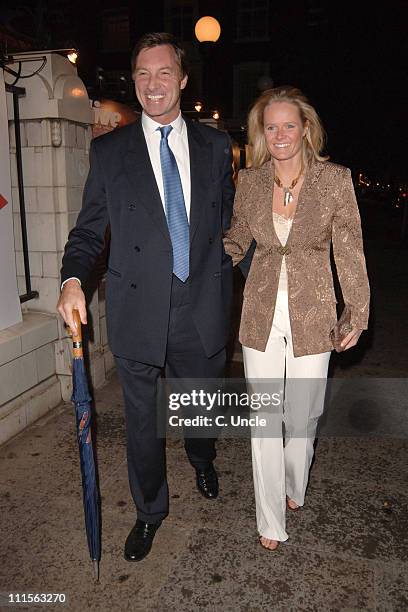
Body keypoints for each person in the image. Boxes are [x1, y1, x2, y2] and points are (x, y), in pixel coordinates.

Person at [57, 32, 234, 561]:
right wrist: (72, 280)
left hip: (200, 303)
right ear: (133, 81)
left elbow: (231, 228)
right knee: (142, 423)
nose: (152, 84)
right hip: (139, 308)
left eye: (163, 73)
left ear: (182, 80)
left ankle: (202, 459)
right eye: (142, 73)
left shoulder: (216, 146)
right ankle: (149, 511)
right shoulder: (110, 152)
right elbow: (90, 231)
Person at [223, 86, 370, 550]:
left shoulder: (335, 180)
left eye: (289, 125)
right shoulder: (250, 182)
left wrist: (356, 312)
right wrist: (197, 269)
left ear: (305, 128)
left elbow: (349, 251)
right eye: (271, 127)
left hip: (313, 311)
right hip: (261, 311)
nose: (280, 134)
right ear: (261, 133)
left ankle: (292, 484)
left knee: (303, 418)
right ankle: (269, 519)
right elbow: (236, 241)